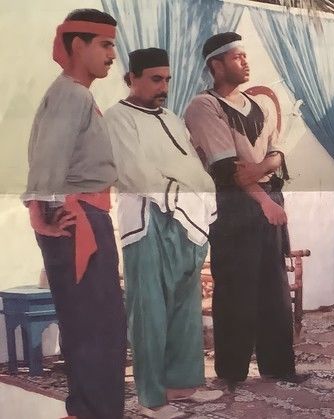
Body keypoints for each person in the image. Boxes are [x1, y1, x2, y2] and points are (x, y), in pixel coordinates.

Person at [104, 48, 221, 418]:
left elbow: (191, 164)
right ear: (132, 79)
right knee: (149, 310)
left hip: (186, 217)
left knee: (185, 305)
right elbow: (134, 172)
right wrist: (182, 197)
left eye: (167, 79)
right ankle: (151, 398)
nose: (164, 87)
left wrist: (201, 196)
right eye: (156, 79)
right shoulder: (117, 118)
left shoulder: (171, 118)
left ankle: (181, 385)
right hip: (146, 220)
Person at [21, 8, 126, 419]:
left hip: (84, 215)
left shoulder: (76, 93)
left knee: (94, 324)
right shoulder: (72, 94)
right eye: (105, 45)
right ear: (78, 45)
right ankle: (94, 411)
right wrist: (41, 214)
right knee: (97, 326)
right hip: (77, 218)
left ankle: (89, 410)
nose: (113, 55)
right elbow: (48, 159)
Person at [184, 32, 301, 390]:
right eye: (237, 57)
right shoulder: (204, 107)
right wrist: (265, 194)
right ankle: (232, 372)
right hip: (233, 208)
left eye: (245, 56)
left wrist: (264, 167)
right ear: (216, 65)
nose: (245, 62)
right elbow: (229, 171)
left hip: (268, 203)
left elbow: (275, 158)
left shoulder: (258, 105)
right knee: (236, 289)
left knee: (274, 289)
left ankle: (278, 367)